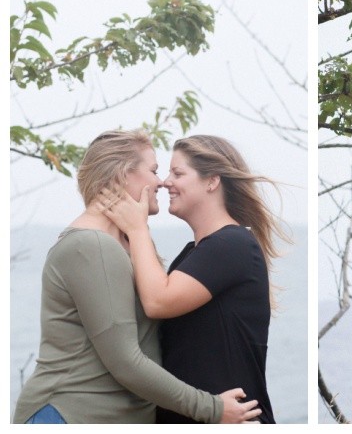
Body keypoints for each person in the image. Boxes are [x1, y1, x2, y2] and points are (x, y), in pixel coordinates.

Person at [13, 129, 260, 424]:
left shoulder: (128, 243)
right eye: (154, 170)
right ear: (121, 175)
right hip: (70, 416)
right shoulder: (91, 246)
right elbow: (125, 361)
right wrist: (212, 408)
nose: (161, 181)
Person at [100, 134, 288, 423]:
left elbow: (158, 302)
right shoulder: (195, 254)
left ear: (212, 181)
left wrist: (138, 229)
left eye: (178, 173)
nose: (165, 182)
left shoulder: (233, 245)